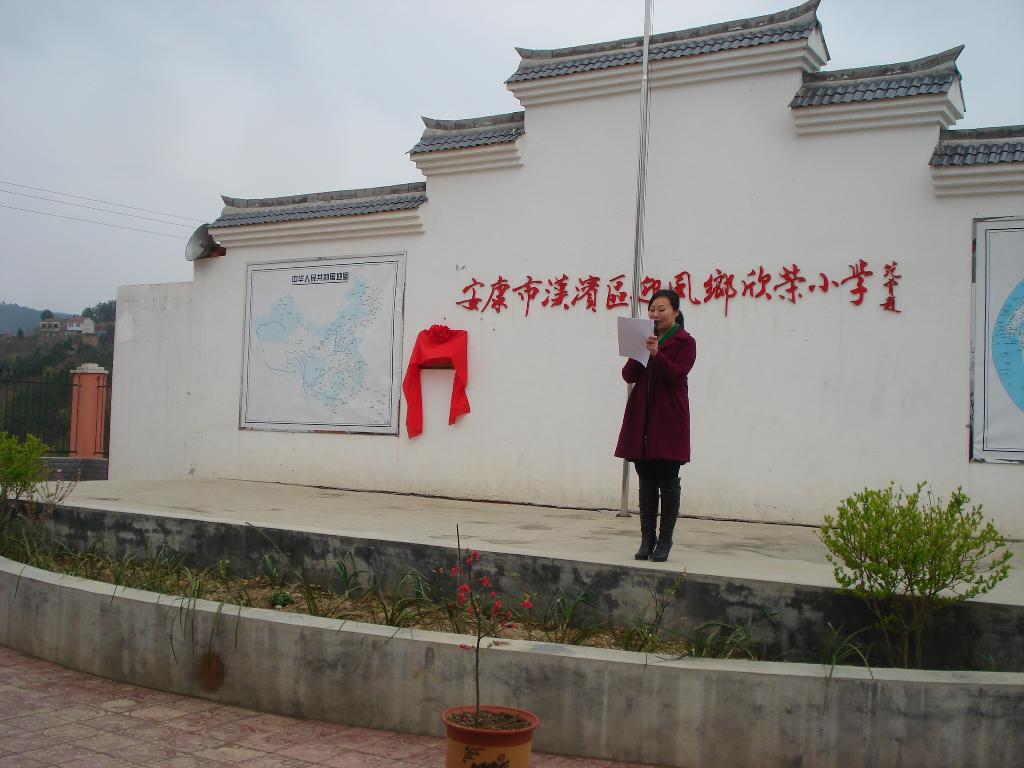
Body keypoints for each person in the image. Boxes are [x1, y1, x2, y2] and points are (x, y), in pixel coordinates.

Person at [615, 289, 697, 562]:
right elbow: (629, 375)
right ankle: (646, 539)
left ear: (675, 312)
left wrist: (656, 354)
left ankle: (665, 540)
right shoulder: (645, 338)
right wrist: (639, 350)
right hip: (642, 418)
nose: (655, 314)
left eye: (661, 309)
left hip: (669, 418)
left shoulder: (686, 342)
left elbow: (677, 375)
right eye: (652, 309)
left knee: (668, 481)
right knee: (646, 480)